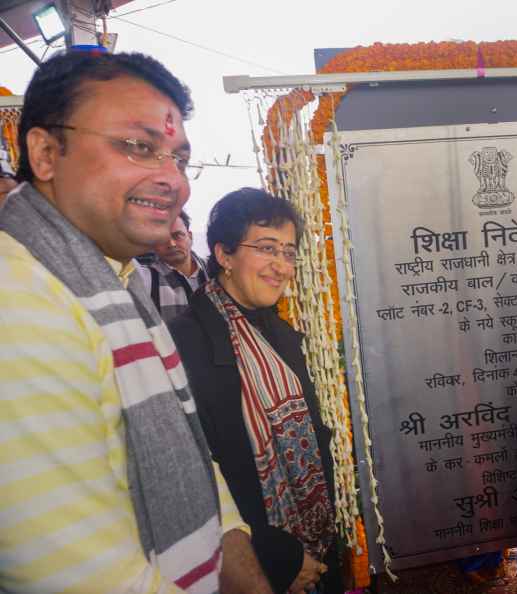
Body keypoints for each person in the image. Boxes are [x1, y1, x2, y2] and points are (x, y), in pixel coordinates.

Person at [0, 51, 278, 593]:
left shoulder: (115, 281)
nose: (171, 180)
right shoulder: (19, 303)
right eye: (138, 146)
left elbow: (194, 463)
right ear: (46, 152)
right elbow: (80, 577)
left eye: (178, 158)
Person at [169, 188, 342, 594]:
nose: (281, 266)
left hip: (316, 547)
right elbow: (192, 476)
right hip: (252, 560)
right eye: (267, 248)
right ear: (224, 255)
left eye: (288, 252)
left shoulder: (281, 331)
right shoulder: (182, 343)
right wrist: (278, 556)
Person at [137, 209, 209, 321]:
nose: (171, 244)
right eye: (162, 238)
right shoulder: (146, 279)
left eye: (177, 235)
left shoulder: (215, 270)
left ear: (190, 236)